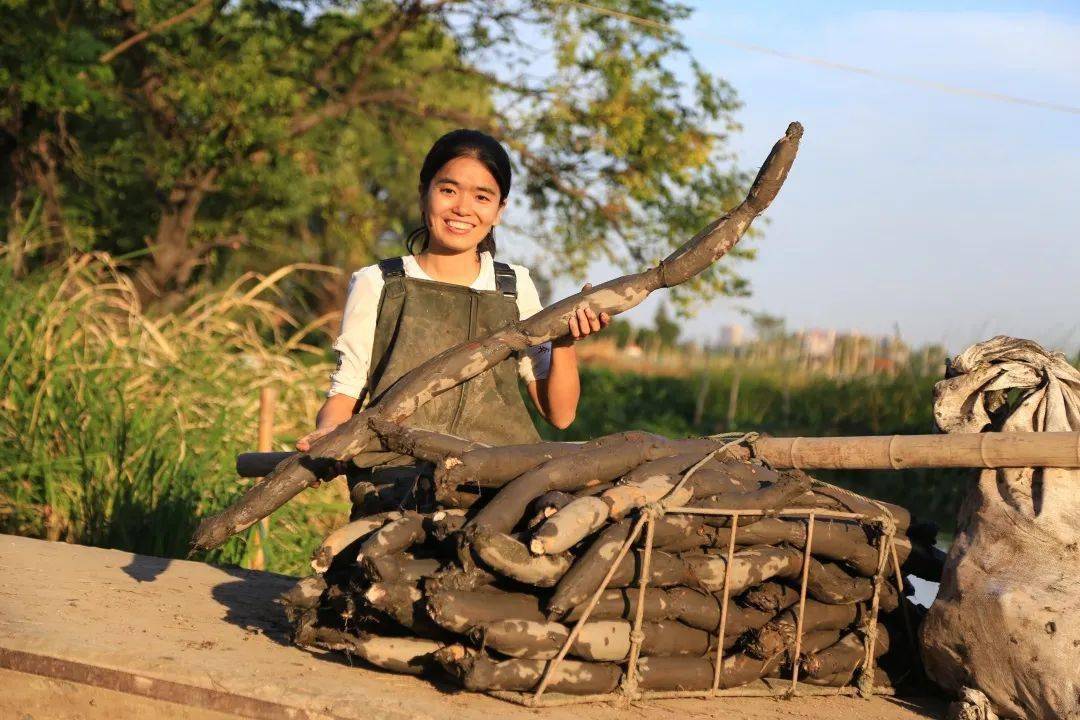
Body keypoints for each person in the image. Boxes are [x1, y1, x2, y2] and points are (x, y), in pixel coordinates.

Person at [297, 129, 609, 479]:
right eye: (448, 190)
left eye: (482, 196)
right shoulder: (378, 283)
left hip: (501, 479)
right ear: (423, 194)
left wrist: (564, 341)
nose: (462, 208)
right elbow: (346, 391)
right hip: (395, 479)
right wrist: (330, 435)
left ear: (499, 210)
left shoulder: (513, 286)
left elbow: (561, 415)